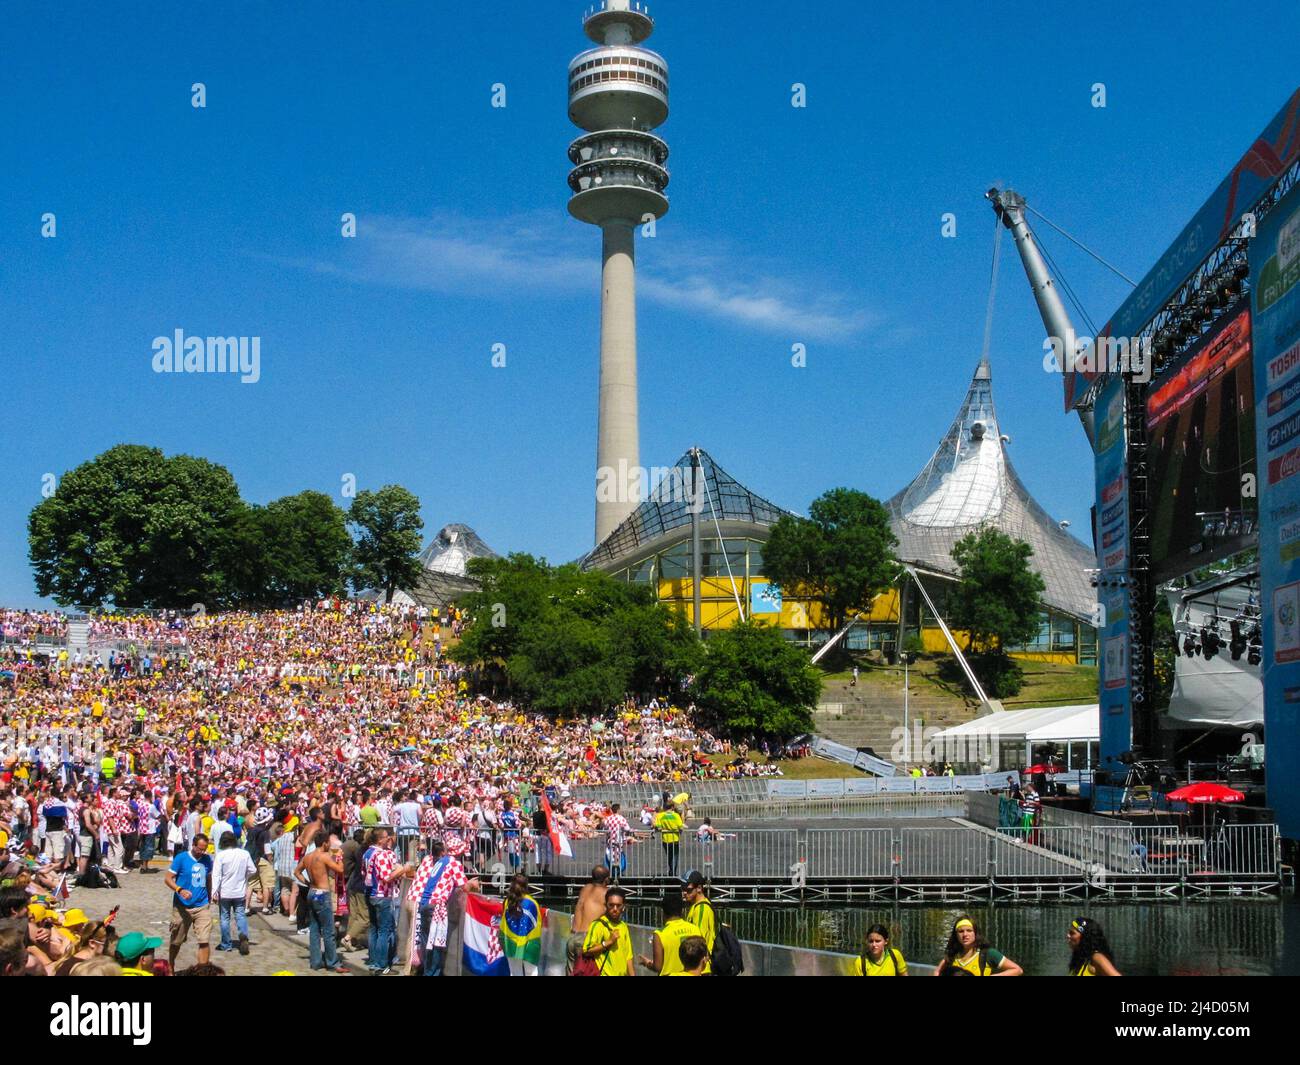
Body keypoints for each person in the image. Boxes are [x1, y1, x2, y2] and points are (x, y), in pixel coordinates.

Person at [407, 837, 479, 976]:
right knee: (435, 944)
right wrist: (472, 884)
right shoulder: (453, 863)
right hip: (436, 907)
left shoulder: (438, 861)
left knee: (426, 941)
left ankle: (427, 971)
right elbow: (464, 887)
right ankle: (432, 973)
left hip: (424, 902)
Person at [297, 832, 348, 973]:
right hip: (322, 893)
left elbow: (296, 872)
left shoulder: (308, 857)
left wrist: (307, 883)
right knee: (328, 930)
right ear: (325, 843)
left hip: (312, 892)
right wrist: (339, 857)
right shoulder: (323, 856)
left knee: (314, 929)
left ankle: (316, 961)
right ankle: (332, 962)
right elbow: (340, 869)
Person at [164, 832, 213, 970]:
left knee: (204, 940)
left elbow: (208, 878)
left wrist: (210, 896)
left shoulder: (207, 859)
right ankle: (171, 966)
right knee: (176, 941)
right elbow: (168, 878)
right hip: (182, 907)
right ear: (193, 845)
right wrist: (180, 890)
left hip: (202, 906)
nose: (201, 852)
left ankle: (203, 971)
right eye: (199, 849)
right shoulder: (181, 858)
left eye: (204, 849)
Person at [637, 894, 703, 976]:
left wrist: (647, 963)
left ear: (663, 912)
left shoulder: (660, 934)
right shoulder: (695, 929)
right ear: (681, 911)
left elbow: (658, 967)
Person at [212, 832, 256, 956]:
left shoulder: (221, 856)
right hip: (239, 891)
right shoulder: (244, 854)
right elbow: (253, 869)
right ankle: (244, 937)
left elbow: (216, 875)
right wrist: (244, 877)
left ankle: (226, 944)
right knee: (240, 915)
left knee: (225, 918)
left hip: (225, 892)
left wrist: (214, 891)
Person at [933, 916, 1022, 977]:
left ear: (975, 933)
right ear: (956, 935)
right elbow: (937, 971)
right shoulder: (952, 954)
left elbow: (1017, 970)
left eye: (969, 930)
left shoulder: (988, 954)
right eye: (961, 931)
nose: (965, 934)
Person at [581, 885, 635, 976]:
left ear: (623, 907)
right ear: (606, 905)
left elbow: (628, 957)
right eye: (611, 905)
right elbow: (586, 950)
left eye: (618, 906)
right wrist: (608, 942)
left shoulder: (623, 926)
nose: (615, 909)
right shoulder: (598, 925)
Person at [568, 865, 609, 975]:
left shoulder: (584, 888)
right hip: (586, 940)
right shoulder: (606, 893)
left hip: (572, 937)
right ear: (607, 880)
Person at [500, 873, 543, 976]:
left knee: (515, 973)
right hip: (530, 943)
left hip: (511, 942)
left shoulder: (508, 901)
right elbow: (536, 923)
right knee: (531, 972)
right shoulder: (531, 903)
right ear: (526, 885)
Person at [682, 870, 715, 972]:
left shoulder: (702, 909)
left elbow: (698, 941)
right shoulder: (696, 906)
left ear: (699, 888)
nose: (684, 893)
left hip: (701, 968)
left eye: (688, 890)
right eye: (682, 889)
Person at [654, 801, 684, 878]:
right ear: (672, 807)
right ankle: (673, 872)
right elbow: (680, 827)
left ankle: (671, 870)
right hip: (675, 838)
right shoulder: (676, 815)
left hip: (665, 839)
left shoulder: (660, 815)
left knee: (669, 856)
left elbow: (658, 827)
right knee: (675, 856)